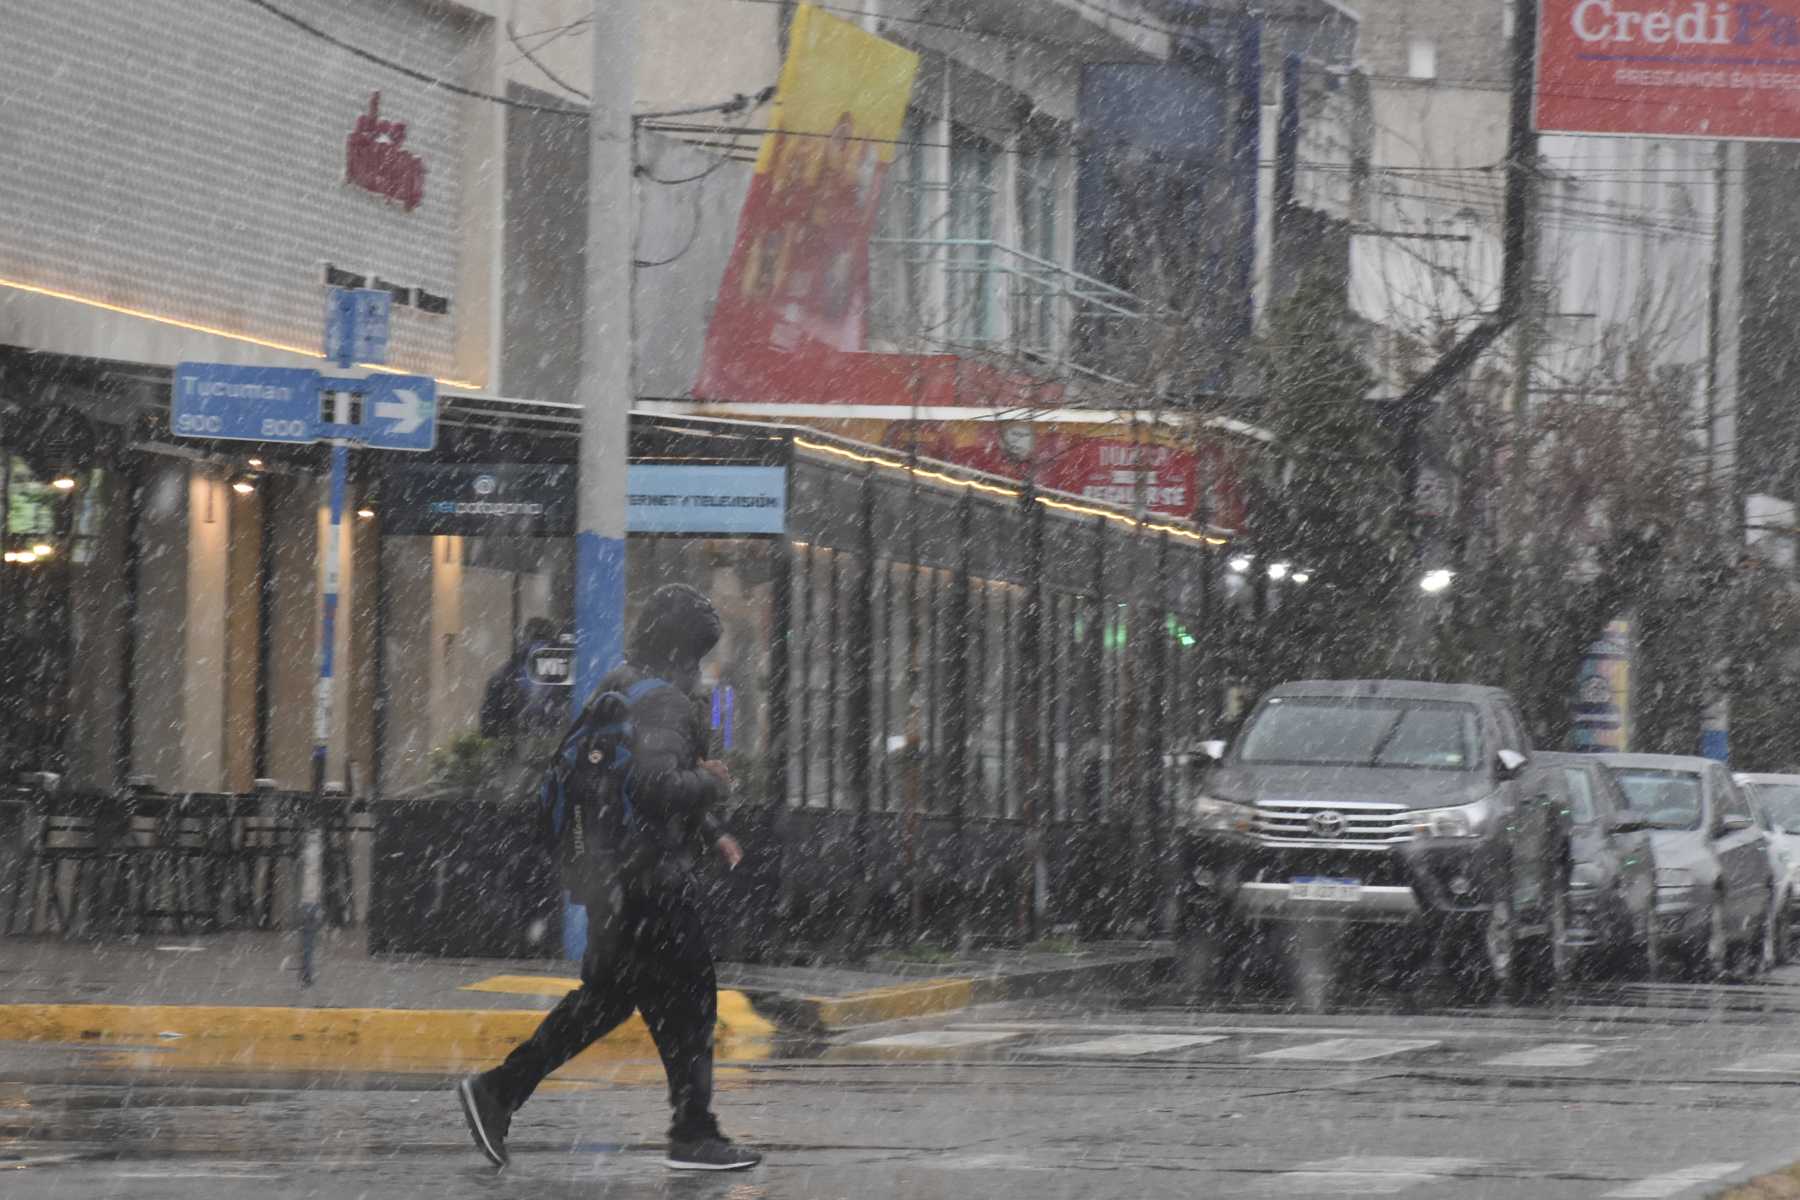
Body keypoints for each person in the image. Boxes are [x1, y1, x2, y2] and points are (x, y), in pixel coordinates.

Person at [457, 584, 760, 1172]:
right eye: (698, 651)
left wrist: (710, 826)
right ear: (683, 648)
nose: (699, 665)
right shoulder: (667, 702)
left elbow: (633, 781)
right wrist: (715, 783)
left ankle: (497, 1092)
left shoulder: (617, 685)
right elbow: (656, 787)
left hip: (607, 880)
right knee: (693, 1001)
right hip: (652, 886)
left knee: (605, 1003)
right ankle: (693, 1132)